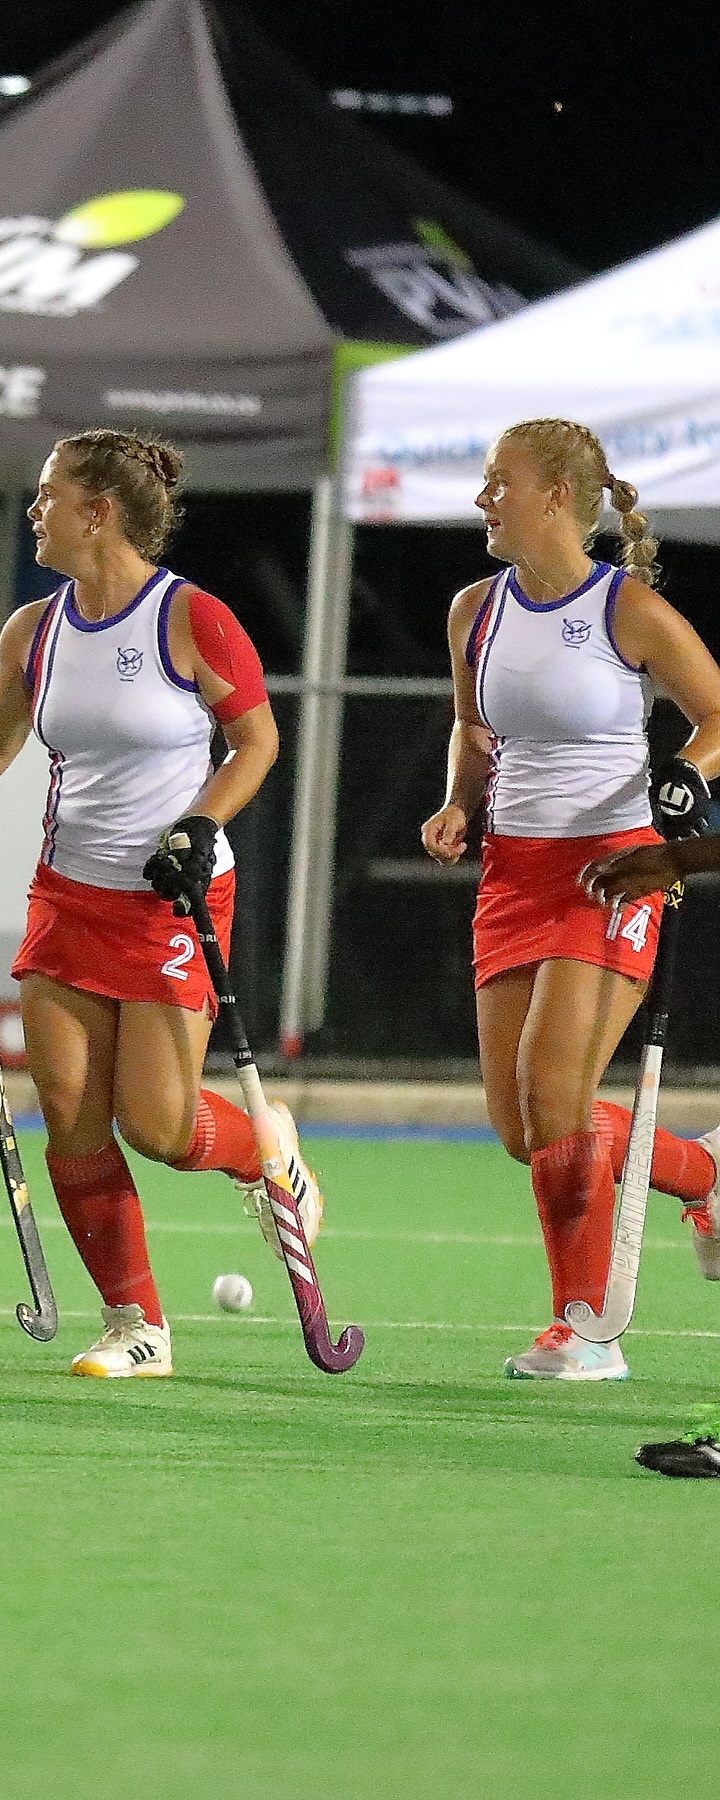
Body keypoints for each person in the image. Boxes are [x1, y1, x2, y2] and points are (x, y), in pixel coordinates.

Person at [0, 428, 317, 1379]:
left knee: (160, 1127)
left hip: (172, 897)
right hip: (68, 894)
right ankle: (136, 1324)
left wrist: (201, 823)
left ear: (99, 512)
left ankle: (263, 1149)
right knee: (71, 1117)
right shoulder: (33, 629)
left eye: (49, 495)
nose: (34, 510)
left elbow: (255, 741)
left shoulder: (191, 618)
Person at [420, 417, 720, 1381]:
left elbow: (718, 712)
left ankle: (586, 1330)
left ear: (555, 495)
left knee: (556, 1097)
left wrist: (686, 772)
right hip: (513, 873)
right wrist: (458, 802)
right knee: (524, 1126)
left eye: (497, 481)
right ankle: (705, 1173)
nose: (482, 498)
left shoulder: (625, 607)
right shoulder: (475, 610)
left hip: (613, 868)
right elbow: (473, 728)